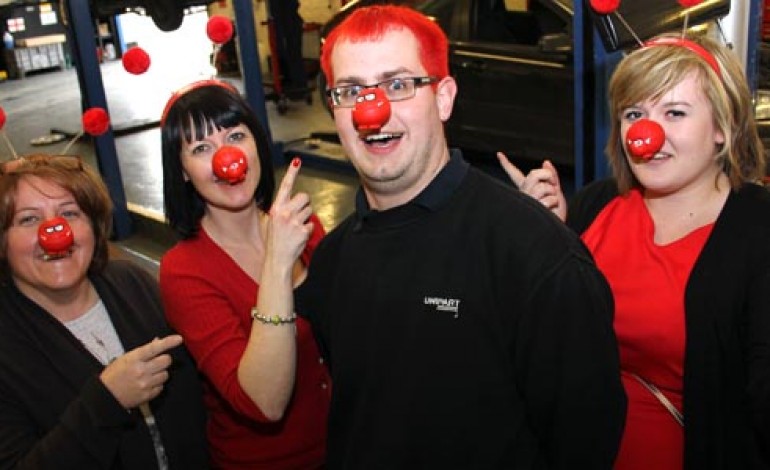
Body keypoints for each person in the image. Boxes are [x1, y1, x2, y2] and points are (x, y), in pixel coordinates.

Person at [293, 5, 626, 468]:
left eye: (397, 84)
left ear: (444, 98)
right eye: (351, 90)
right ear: (335, 109)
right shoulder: (332, 259)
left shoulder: (536, 257)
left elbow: (585, 441)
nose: (374, 110)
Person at [498, 33, 770, 469]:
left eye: (675, 113)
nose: (646, 133)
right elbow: (535, 341)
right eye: (634, 113)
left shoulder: (757, 230)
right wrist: (545, 236)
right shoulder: (597, 204)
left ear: (723, 128)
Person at [158, 80, 330, 469]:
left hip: (346, 444)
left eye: (236, 135)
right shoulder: (184, 270)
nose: (226, 157)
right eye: (202, 148)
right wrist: (278, 263)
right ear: (183, 171)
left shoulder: (304, 227)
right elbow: (262, 401)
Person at [0, 154, 208, 468]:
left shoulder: (132, 282)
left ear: (94, 229)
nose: (55, 232)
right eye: (28, 219)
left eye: (69, 213)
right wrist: (106, 402)